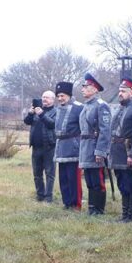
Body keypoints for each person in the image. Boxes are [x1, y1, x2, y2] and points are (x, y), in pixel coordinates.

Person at [110, 78, 132, 222]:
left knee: (131, 184)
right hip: (116, 150)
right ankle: (125, 213)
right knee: (121, 184)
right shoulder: (120, 107)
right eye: (119, 90)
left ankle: (131, 215)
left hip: (128, 151)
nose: (120, 93)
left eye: (123, 91)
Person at [78, 73, 112, 216]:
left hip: (95, 146)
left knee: (97, 180)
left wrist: (100, 151)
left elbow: (105, 130)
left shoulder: (101, 106)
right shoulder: (86, 106)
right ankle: (92, 207)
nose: (82, 89)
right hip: (85, 146)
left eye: (85, 87)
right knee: (90, 180)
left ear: (94, 89)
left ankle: (99, 209)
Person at [53, 82, 83, 210]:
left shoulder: (79, 108)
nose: (60, 99)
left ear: (69, 95)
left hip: (73, 147)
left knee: (73, 178)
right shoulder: (58, 108)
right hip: (61, 147)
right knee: (63, 178)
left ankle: (76, 203)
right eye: (58, 96)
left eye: (62, 96)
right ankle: (67, 202)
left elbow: (84, 127)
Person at [23, 90, 57, 202]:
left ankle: (48, 197)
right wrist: (30, 113)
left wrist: (41, 114)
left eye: (47, 97)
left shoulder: (55, 111)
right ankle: (40, 195)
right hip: (36, 147)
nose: (44, 99)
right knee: (37, 174)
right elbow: (27, 122)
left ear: (53, 99)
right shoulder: (37, 110)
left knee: (49, 173)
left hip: (49, 147)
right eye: (43, 97)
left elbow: (52, 124)